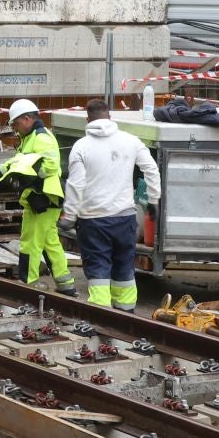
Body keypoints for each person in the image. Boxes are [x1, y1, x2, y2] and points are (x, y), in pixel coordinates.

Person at [64, 97, 162, 312]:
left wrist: (69, 216)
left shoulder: (81, 146)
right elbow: (151, 169)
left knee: (98, 269)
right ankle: (127, 313)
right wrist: (153, 201)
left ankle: (102, 316)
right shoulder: (131, 140)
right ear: (110, 116)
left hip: (92, 220)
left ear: (87, 118)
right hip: (124, 218)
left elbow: (75, 184)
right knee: (124, 267)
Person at [0, 98, 77, 294]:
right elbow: (16, 162)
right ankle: (67, 285)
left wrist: (26, 178)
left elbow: (50, 166)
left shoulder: (41, 137)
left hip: (43, 198)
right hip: (42, 198)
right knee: (50, 242)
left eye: (16, 123)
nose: (15, 128)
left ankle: (28, 283)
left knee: (30, 241)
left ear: (28, 119)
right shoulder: (30, 138)